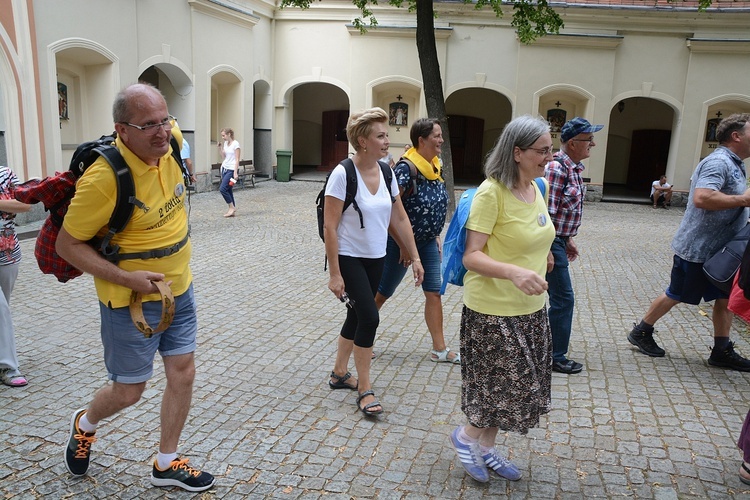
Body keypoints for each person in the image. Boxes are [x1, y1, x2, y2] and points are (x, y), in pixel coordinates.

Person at [56, 83, 215, 492]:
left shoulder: (171, 142)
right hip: (128, 301)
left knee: (183, 372)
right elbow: (67, 245)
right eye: (149, 125)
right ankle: (85, 423)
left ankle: (166, 463)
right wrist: (128, 279)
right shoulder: (104, 179)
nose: (162, 132)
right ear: (122, 129)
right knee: (129, 391)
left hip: (180, 290)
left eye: (165, 119)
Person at [450, 115, 555, 483]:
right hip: (493, 310)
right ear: (517, 152)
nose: (549, 156)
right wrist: (514, 272)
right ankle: (466, 437)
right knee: (502, 386)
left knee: (518, 386)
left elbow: (533, 232)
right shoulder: (490, 192)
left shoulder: (536, 187)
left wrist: (545, 254)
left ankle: (486, 448)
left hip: (529, 308)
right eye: (543, 150)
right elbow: (472, 255)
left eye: (550, 148)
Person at [628, 113, 750, 370]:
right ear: (736, 136)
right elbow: (702, 198)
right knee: (677, 292)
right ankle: (641, 331)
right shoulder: (718, 162)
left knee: (724, 297)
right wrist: (743, 200)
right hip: (699, 249)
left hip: (721, 251)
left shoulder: (736, 163)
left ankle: (721, 350)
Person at [324, 107, 424, 417]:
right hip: (349, 257)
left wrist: (415, 255)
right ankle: (365, 389)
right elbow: (330, 226)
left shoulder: (387, 172)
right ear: (363, 141)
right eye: (381, 135)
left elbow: (399, 216)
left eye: (387, 135)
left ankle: (340, 373)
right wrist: (335, 274)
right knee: (369, 317)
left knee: (356, 314)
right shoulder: (343, 174)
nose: (387, 141)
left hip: (376, 257)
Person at [374, 118, 458, 364]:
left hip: (427, 242)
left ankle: (439, 349)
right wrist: (403, 246)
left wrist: (435, 233)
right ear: (421, 140)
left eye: (441, 135)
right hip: (399, 244)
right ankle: (361, 339)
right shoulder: (406, 168)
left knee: (433, 292)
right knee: (381, 294)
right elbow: (390, 210)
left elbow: (434, 205)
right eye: (437, 136)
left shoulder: (434, 166)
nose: (441, 140)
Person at [544, 117, 603, 375]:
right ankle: (554, 356)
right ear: (570, 143)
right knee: (563, 298)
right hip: (548, 241)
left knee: (558, 297)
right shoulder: (557, 169)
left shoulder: (574, 169)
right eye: (588, 139)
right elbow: (545, 213)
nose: (593, 143)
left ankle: (545, 349)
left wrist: (568, 239)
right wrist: (548, 246)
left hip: (558, 240)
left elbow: (562, 213)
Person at [0, 166, 30, 388]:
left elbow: (24, 204)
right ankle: (9, 366)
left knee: (4, 309)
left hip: (7, 253)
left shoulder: (5, 174)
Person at [218, 127, 240, 217]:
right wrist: (220, 148)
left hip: (231, 170)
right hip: (224, 168)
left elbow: (237, 159)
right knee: (228, 189)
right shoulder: (226, 143)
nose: (222, 137)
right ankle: (232, 210)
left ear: (229, 134)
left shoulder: (236, 144)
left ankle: (231, 207)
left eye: (224, 135)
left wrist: (235, 172)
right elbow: (224, 156)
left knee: (222, 189)